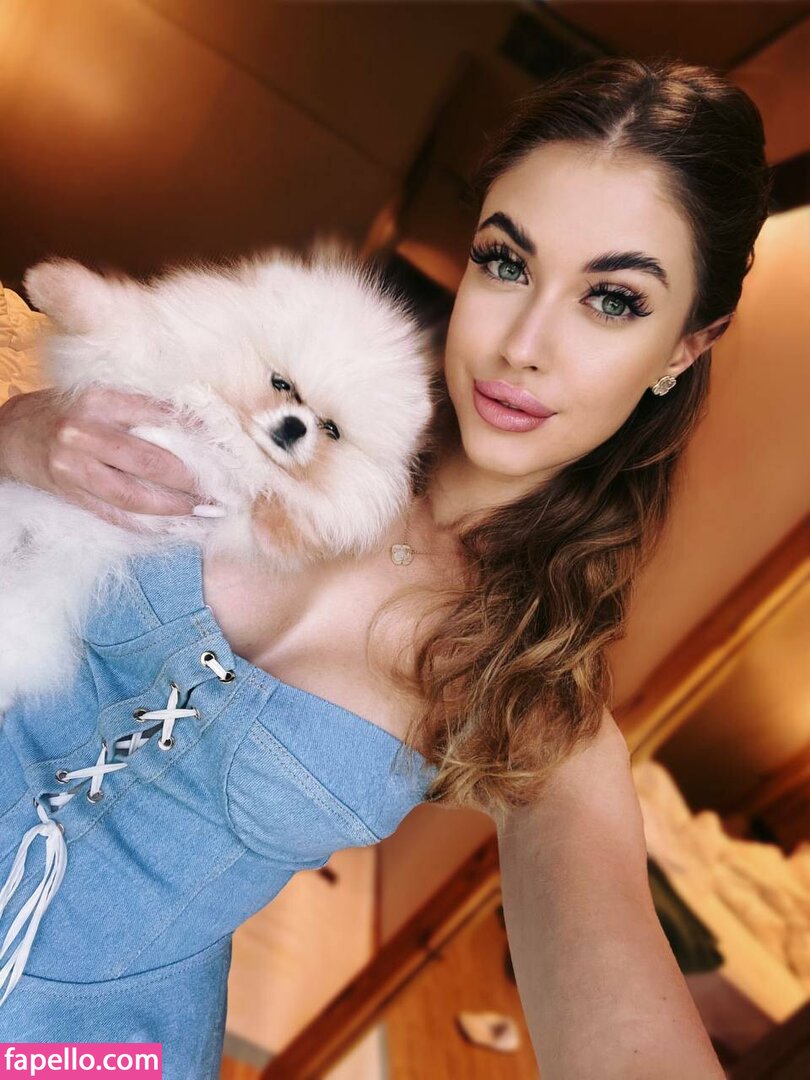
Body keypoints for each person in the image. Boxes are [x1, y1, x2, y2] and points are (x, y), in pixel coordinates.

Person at [0, 55, 771, 1077]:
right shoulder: (273, 377)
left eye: (614, 300)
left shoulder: (535, 700)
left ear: (685, 346)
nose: (525, 345)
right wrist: (13, 435)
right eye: (508, 262)